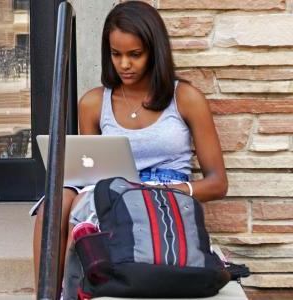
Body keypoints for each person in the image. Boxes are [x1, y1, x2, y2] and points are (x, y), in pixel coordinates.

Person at [31, 1, 228, 297]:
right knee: (53, 204)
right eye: (116, 54)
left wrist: (172, 189)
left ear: (155, 51)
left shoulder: (185, 98)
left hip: (165, 194)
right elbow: (92, 169)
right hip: (112, 190)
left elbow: (217, 183)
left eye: (135, 55)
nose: (124, 64)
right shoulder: (94, 103)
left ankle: (86, 262)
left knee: (91, 209)